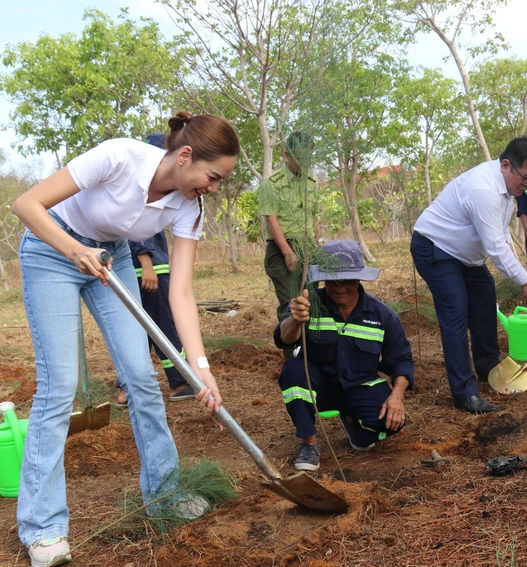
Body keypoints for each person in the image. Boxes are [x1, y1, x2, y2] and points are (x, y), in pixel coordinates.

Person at [12, 111, 238, 567]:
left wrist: (200, 368)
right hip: (52, 248)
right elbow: (27, 204)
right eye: (212, 177)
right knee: (59, 387)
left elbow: (183, 291)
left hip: (109, 257)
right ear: (186, 156)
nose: (212, 189)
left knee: (141, 375)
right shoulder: (119, 156)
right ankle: (43, 529)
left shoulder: (187, 205)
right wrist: (73, 249)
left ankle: (164, 494)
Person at [411, 136, 527, 414]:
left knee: (484, 301)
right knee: (456, 314)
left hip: (466, 257)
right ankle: (464, 394)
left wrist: (520, 270)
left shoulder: (508, 190)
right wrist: (526, 280)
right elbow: (495, 247)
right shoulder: (483, 189)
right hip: (436, 248)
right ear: (505, 165)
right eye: (525, 178)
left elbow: (501, 236)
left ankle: (489, 369)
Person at [275, 240, 413, 471]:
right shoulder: (308, 305)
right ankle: (309, 443)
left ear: (359, 278)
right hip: (318, 386)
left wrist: (397, 395)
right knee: (293, 369)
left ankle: (353, 423)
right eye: (333, 280)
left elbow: (402, 360)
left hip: (360, 386)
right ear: (323, 280)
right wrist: (295, 320)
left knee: (392, 423)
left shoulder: (382, 315)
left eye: (347, 280)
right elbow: (284, 338)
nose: (340, 288)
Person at [116, 133, 194, 406]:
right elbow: (136, 229)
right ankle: (180, 382)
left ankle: (127, 389)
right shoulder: (145, 186)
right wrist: (147, 263)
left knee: (136, 329)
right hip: (149, 270)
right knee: (162, 326)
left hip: (131, 270)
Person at [258, 131, 323, 339]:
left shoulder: (311, 183)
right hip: (282, 250)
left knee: (312, 303)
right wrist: (287, 253)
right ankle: (291, 358)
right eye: (300, 158)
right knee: (292, 307)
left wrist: (320, 242)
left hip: (308, 248)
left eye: (308, 157)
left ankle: (310, 354)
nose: (304, 163)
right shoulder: (272, 184)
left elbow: (313, 217)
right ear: (287, 154)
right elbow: (271, 219)